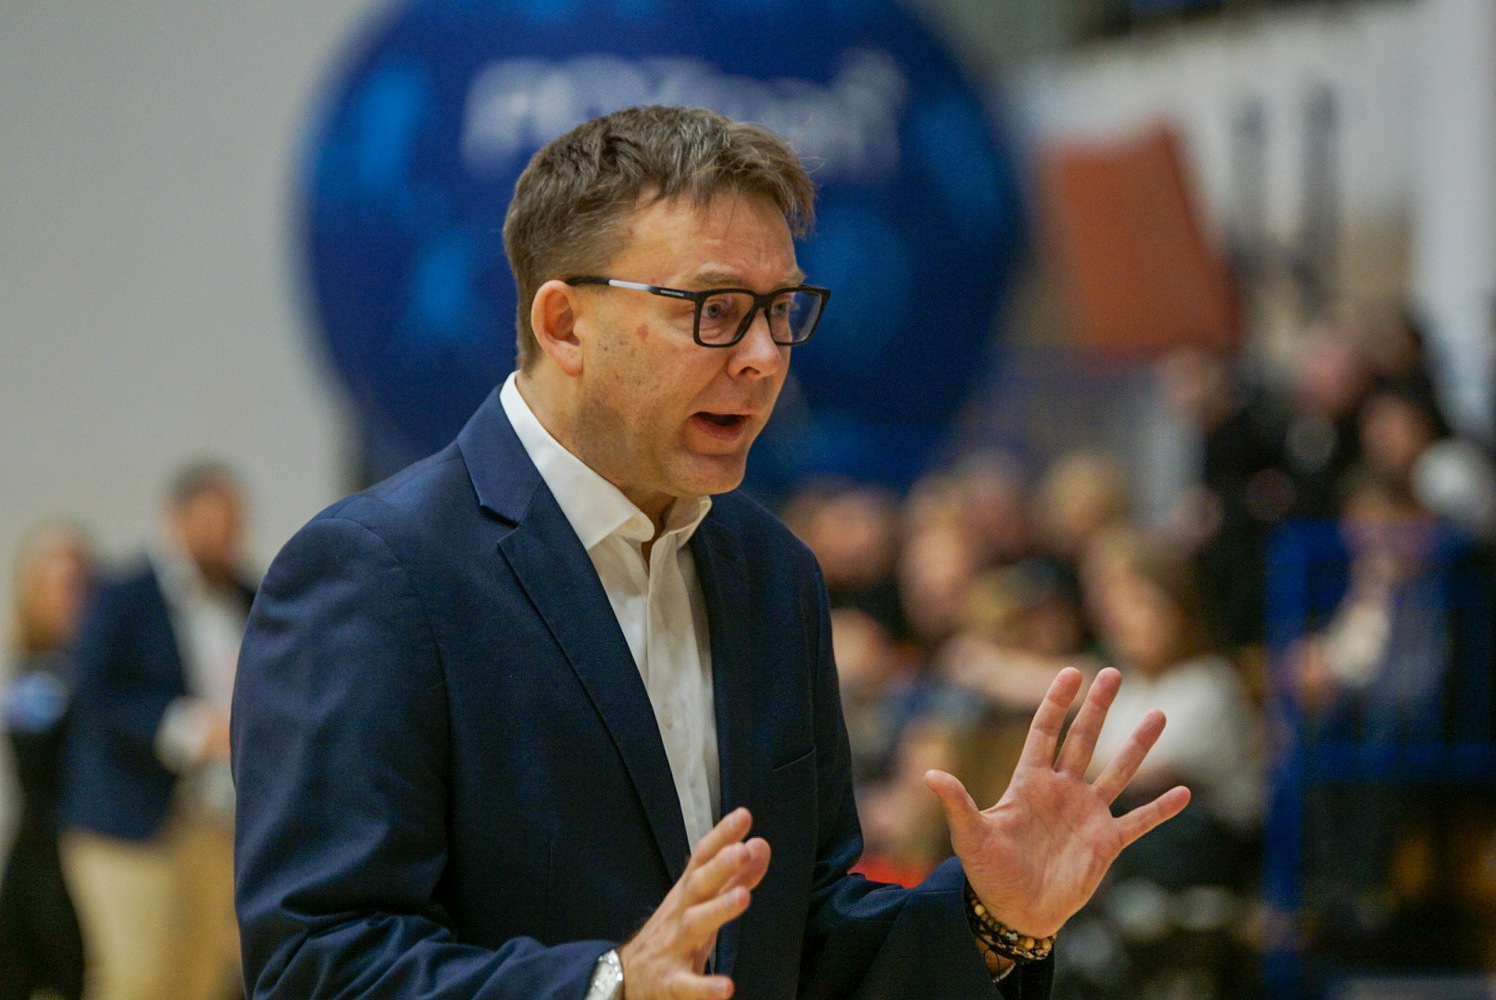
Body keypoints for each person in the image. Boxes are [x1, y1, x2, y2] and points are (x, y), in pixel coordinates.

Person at [232, 105, 1189, 1000]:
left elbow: (801, 939)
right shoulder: (376, 572)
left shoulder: (774, 573)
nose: (765, 356)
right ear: (564, 324)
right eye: (716, 309)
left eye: (781, 310)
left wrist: (991, 919)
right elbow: (319, 959)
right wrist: (608, 986)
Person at [61, 463, 254, 1000]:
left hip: (218, 817)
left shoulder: (249, 595)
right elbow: (95, 693)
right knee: (138, 976)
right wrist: (189, 727)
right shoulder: (124, 595)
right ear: (177, 518)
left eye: (231, 524)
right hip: (130, 818)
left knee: (200, 979)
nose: (221, 536)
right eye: (209, 521)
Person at [0, 523, 92, 1000]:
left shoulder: (104, 673)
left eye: (79, 586)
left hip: (96, 846)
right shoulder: (31, 680)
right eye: (57, 587)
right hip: (44, 851)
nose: (69, 601)